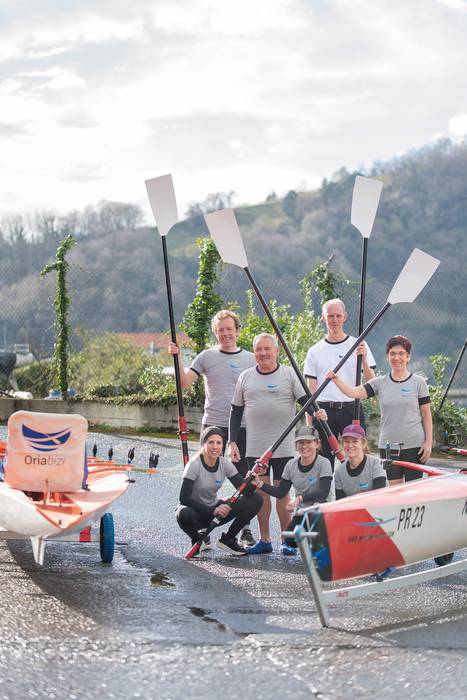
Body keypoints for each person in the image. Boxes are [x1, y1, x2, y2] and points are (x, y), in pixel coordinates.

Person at [228, 332, 328, 554]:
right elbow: (236, 411)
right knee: (261, 493)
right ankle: (265, 540)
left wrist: (317, 412)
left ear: (276, 351)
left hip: (283, 446)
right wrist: (232, 441)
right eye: (259, 350)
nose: (263, 353)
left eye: (267, 349)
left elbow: (306, 402)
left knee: (282, 494)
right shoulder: (245, 376)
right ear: (254, 353)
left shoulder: (289, 374)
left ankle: (286, 541)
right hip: (256, 446)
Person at [169, 309, 256, 545]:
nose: (225, 334)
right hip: (213, 424)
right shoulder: (206, 356)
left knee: (243, 480)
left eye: (229, 329)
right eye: (220, 330)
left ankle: (244, 528)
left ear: (238, 331)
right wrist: (177, 357)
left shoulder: (250, 359)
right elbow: (185, 381)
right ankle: (201, 527)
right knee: (203, 478)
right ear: (215, 333)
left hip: (242, 426)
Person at [327, 335, 433, 485]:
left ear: (408, 357)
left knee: (412, 491)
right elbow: (352, 392)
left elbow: (426, 414)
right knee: (394, 491)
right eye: (393, 353)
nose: (397, 357)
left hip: (414, 445)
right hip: (388, 446)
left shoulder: (419, 382)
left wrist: (428, 442)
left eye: (401, 353)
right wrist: (335, 379)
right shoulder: (380, 383)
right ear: (387, 357)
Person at [303, 298, 376, 467]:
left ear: (345, 316)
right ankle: (324, 493)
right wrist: (310, 427)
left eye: (338, 316)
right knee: (322, 462)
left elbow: (372, 384)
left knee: (358, 460)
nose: (334, 320)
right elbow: (311, 392)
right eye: (330, 316)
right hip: (323, 411)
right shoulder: (314, 351)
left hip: (353, 409)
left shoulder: (358, 345)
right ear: (323, 318)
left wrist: (364, 360)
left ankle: (356, 493)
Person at [176, 426, 263, 556]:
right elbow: (184, 498)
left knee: (256, 499)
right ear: (203, 444)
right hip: (195, 513)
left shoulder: (224, 463)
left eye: (219, 443)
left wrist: (253, 480)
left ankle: (227, 539)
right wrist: (213, 510)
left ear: (223, 445)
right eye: (210, 442)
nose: (215, 446)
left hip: (214, 511)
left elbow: (246, 492)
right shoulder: (194, 465)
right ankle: (197, 539)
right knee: (183, 513)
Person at [251, 425, 333, 555]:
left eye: (309, 442)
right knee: (289, 540)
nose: (304, 446)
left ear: (317, 444)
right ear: (296, 446)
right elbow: (281, 492)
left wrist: (298, 499)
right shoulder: (291, 465)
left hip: (321, 510)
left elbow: (323, 492)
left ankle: (323, 540)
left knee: (315, 533)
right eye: (301, 442)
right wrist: (260, 483)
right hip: (302, 512)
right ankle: (314, 539)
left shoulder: (324, 463)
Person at [334, 424, 387, 497]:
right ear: (342, 444)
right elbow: (340, 502)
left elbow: (379, 496)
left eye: (355, 441)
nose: (350, 445)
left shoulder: (376, 463)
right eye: (347, 441)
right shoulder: (339, 471)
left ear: (363, 444)